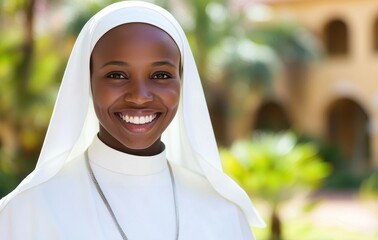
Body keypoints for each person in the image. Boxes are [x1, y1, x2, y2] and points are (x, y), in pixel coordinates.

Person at [0, 1, 265, 239]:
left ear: (183, 82)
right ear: (87, 81)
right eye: (117, 75)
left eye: (160, 75)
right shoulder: (29, 210)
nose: (139, 97)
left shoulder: (223, 212)